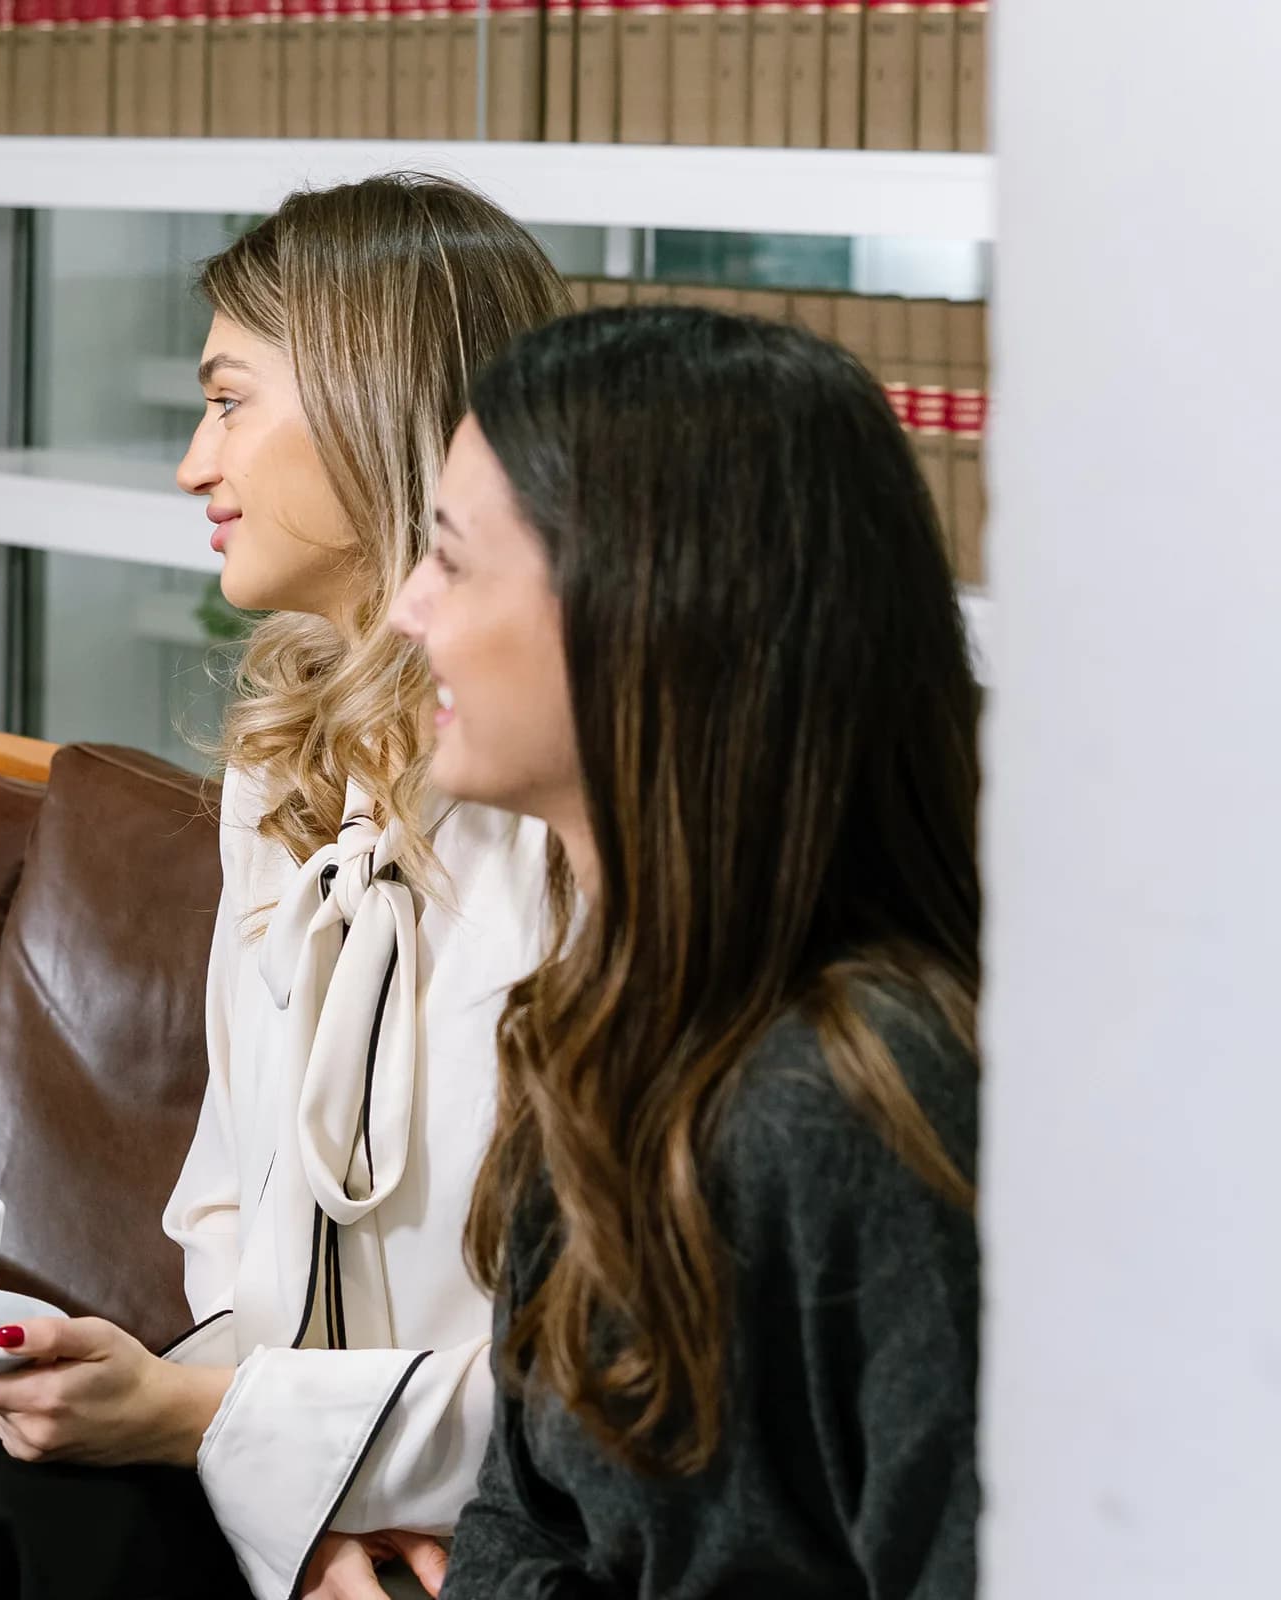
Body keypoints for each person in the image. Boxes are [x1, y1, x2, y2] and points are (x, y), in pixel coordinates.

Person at [0, 174, 571, 1600]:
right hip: (268, 1469)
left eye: (228, 402)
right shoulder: (281, 785)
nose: (193, 466)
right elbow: (223, 1216)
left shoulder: (563, 823)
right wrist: (270, 1476)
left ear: (367, 398)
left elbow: (593, 1377)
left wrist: (279, 1454)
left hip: (504, 1512)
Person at [391, 306, 982, 1600]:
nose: (405, 609)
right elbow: (519, 1516)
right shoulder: (595, 1021)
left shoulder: (864, 1109)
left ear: (644, 604)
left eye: (452, 560)